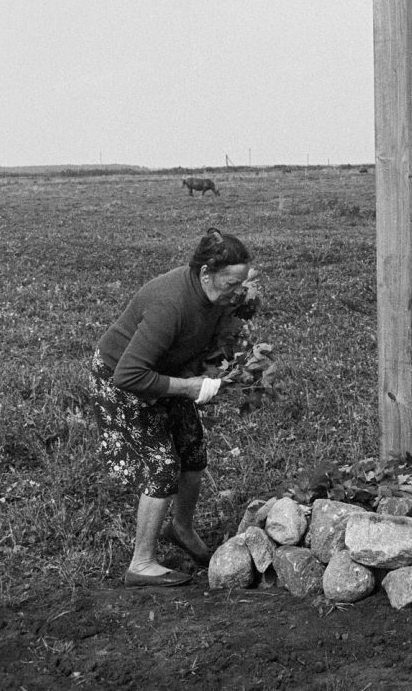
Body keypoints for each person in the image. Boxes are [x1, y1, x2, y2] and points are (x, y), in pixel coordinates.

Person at [90, 227, 254, 586]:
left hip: (165, 372)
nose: (238, 291)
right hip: (121, 378)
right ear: (205, 274)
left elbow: (209, 335)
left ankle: (181, 529)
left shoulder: (218, 296)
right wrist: (189, 386)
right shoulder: (170, 303)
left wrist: (215, 370)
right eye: (231, 284)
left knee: (193, 453)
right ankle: (141, 563)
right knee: (163, 465)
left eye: (242, 283)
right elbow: (128, 374)